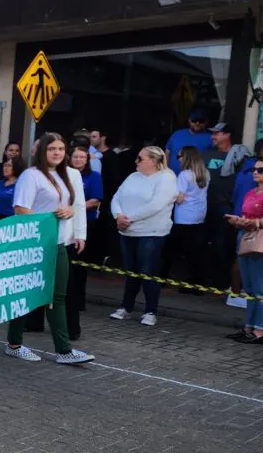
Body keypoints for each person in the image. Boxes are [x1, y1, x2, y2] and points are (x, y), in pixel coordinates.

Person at [4, 132, 95, 365]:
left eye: (61, 149)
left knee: (58, 297)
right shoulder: (31, 176)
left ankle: (64, 350)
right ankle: (14, 343)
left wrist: (71, 213)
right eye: (52, 149)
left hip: (58, 243)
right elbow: (20, 209)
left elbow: (73, 205)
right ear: (42, 151)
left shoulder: (67, 175)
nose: (57, 153)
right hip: (32, 244)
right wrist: (50, 217)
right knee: (25, 294)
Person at [107, 146, 177, 327]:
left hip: (151, 232)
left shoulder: (166, 178)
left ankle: (150, 310)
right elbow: (117, 197)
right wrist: (118, 216)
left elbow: (156, 205)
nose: (136, 162)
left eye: (140, 158)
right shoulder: (132, 177)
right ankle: (126, 307)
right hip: (127, 231)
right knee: (131, 271)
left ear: (153, 161)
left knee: (148, 271)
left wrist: (129, 218)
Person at [203, 122, 254, 292]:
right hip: (205, 205)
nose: (213, 137)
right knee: (205, 243)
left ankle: (222, 282)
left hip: (225, 207)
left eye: (217, 133)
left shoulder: (240, 158)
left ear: (227, 135)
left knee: (222, 245)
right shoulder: (207, 154)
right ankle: (205, 279)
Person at [66, 146, 103, 340]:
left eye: (82, 157)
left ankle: (80, 301)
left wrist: (75, 207)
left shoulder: (93, 176)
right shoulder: (64, 174)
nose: (79, 159)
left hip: (86, 223)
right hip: (65, 223)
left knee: (80, 266)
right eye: (76, 156)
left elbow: (95, 200)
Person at [225, 161, 263, 343]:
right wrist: (239, 221)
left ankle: (260, 329)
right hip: (245, 236)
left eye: (260, 170)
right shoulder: (250, 192)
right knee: (248, 286)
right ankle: (249, 326)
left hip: (260, 239)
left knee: (259, 286)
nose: (255, 172)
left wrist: (254, 223)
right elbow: (246, 215)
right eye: (254, 169)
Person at [170, 145, 209, 289]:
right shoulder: (205, 173)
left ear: (186, 157)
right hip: (199, 216)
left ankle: (184, 280)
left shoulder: (184, 175)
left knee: (181, 251)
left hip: (184, 217)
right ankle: (198, 282)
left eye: (179, 156)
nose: (178, 159)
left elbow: (179, 199)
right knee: (196, 251)